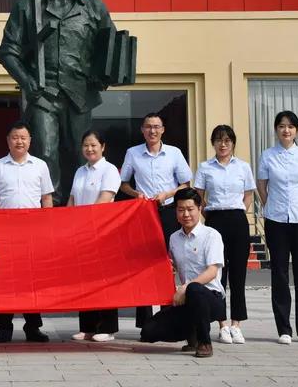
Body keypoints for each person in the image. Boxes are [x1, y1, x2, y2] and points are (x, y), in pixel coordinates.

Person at [0, 0, 117, 203]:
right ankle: (50, 209)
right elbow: (6, 51)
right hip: (44, 92)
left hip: (80, 93)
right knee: (46, 152)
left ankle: (80, 208)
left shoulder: (93, 7)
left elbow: (111, 48)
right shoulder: (27, 6)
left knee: (82, 153)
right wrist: (27, 81)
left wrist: (104, 75)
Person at [119, 112, 193, 326]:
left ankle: (168, 317)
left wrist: (167, 194)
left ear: (163, 130)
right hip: (143, 213)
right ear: (142, 130)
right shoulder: (133, 153)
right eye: (148, 126)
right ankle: (144, 321)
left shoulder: (174, 153)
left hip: (168, 211)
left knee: (169, 261)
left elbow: (185, 183)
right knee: (143, 263)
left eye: (156, 126)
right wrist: (136, 194)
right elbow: (123, 184)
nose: (152, 130)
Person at [0, 120, 54, 343]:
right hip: (5, 232)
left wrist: (47, 227)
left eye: (23, 137)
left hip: (33, 232)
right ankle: (4, 327)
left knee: (31, 280)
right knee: (5, 280)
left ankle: (33, 327)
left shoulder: (40, 165)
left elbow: (46, 198)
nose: (19, 141)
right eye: (15, 137)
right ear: (8, 141)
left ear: (30, 140)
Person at [256, 110, 298, 346]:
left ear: (297, 131)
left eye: (291, 126)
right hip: (276, 221)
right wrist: (270, 205)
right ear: (276, 129)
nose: (286, 130)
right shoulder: (267, 156)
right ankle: (283, 328)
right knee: (279, 274)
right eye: (282, 126)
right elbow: (261, 186)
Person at [138, 187, 226, 358]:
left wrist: (185, 288)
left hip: (211, 299)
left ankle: (204, 342)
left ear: (199, 209)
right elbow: (172, 266)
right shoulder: (174, 238)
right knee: (148, 331)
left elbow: (212, 272)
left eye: (190, 209)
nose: (186, 214)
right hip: (186, 300)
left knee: (195, 289)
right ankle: (191, 333)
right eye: (181, 210)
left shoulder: (211, 235)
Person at [194, 124, 256, 345]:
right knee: (218, 275)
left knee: (238, 274)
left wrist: (239, 212)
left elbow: (248, 195)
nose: (223, 144)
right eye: (219, 140)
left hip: (238, 220)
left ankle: (236, 324)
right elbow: (199, 197)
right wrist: (209, 216)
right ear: (213, 143)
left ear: (233, 143)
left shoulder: (243, 167)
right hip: (215, 220)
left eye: (227, 140)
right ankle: (222, 324)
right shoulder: (205, 167)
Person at [66, 128, 122, 342]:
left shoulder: (109, 170)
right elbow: (72, 199)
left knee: (105, 280)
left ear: (103, 147)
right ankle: (87, 327)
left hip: (102, 232)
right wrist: (67, 223)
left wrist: (85, 224)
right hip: (81, 234)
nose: (89, 149)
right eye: (86, 145)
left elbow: (104, 200)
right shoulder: (80, 171)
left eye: (93, 145)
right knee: (85, 279)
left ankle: (107, 328)